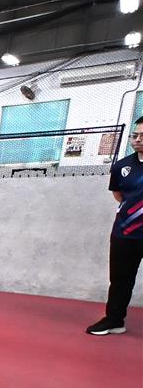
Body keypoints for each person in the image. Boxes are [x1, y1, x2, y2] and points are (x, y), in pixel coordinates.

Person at [86, 116, 143, 335]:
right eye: (135, 135)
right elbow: (119, 195)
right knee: (120, 280)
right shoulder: (122, 166)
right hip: (125, 234)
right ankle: (114, 320)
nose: (137, 139)